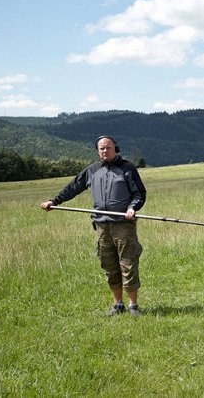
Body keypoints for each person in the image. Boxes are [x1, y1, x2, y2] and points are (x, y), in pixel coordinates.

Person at [40, 135, 147, 316]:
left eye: (108, 147)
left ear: (116, 148)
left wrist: (132, 207)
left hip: (123, 225)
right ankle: (117, 304)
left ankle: (133, 306)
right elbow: (73, 187)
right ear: (98, 151)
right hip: (101, 226)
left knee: (128, 264)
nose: (105, 151)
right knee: (109, 265)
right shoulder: (92, 170)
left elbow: (139, 194)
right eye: (101, 148)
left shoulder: (127, 169)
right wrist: (55, 201)